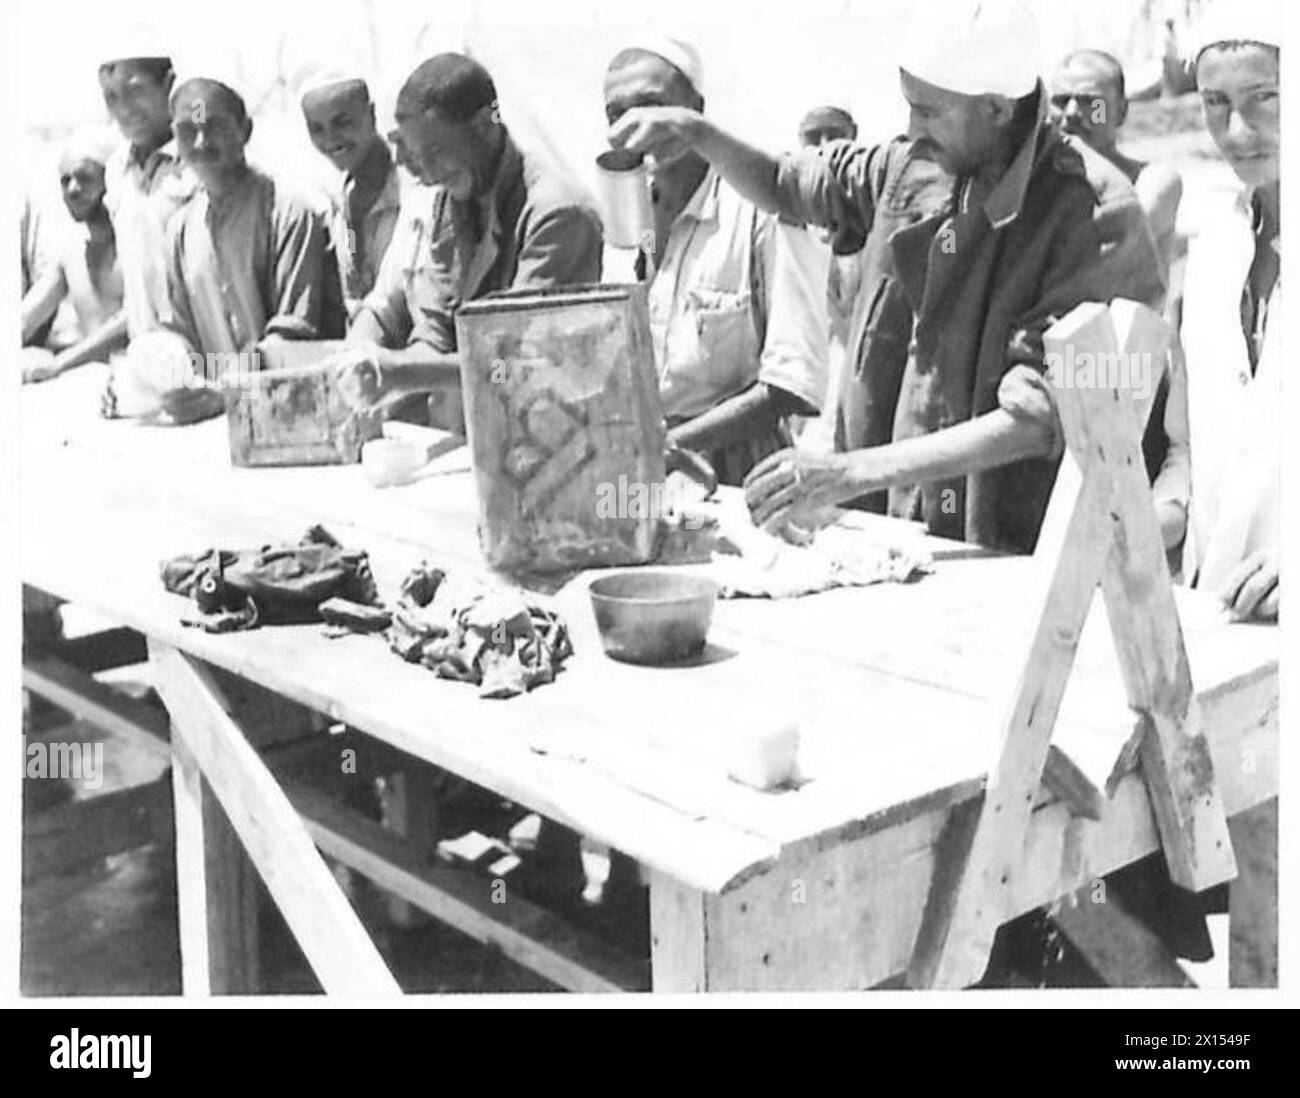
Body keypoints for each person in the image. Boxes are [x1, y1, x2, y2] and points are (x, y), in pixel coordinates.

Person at [610, 0, 1152, 553]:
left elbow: (1038, 417)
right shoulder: (907, 167)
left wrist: (846, 473)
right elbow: (784, 183)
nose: (913, 129)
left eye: (930, 112)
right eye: (909, 107)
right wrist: (694, 130)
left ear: (995, 109)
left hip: (1005, 548)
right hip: (885, 529)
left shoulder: (1095, 213)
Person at [333, 53, 603, 432]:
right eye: (416, 156)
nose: (426, 174)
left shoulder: (557, 214)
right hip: (469, 433)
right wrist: (375, 381)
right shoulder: (454, 198)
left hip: (544, 443)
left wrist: (398, 373)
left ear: (482, 125)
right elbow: (436, 327)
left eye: (436, 153)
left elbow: (518, 361)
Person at [603, 39, 829, 484]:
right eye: (617, 113)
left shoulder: (761, 210)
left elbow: (790, 386)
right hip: (639, 462)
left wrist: (672, 445)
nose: (637, 125)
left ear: (696, 110)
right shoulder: (622, 212)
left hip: (737, 469)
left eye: (652, 106)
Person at [1153, 5, 1281, 621]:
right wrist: (1155, 519)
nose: (1237, 130)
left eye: (1266, 97)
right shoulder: (1211, 253)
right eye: (1215, 102)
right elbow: (1188, 453)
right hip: (1222, 627)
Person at [134, 75, 339, 422]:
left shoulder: (289, 211)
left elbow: (291, 336)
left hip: (287, 410)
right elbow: (177, 334)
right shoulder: (181, 230)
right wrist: (178, 378)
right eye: (187, 130)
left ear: (245, 130)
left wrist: (228, 389)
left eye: (213, 127)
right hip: (210, 415)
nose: (200, 142)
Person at [1050, 48, 1184, 287]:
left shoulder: (1152, 180)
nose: (1071, 113)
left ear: (1121, 112)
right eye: (1061, 101)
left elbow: (1115, 248)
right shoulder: (1040, 184)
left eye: (1091, 103)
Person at [97, 50, 197, 341]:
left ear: (169, 84)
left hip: (210, 354)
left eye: (135, 91)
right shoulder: (116, 171)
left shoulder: (200, 160)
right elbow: (139, 294)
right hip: (152, 359)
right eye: (111, 97)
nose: (124, 109)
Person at [21, 134, 128, 384]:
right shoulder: (70, 255)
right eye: (65, 180)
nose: (73, 190)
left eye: (85, 178)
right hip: (91, 378)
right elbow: (26, 318)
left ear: (110, 179)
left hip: (139, 376)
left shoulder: (133, 244)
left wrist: (60, 364)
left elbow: (131, 321)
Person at [300, 74, 403, 318]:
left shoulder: (410, 190)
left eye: (342, 122)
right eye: (317, 129)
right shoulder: (335, 203)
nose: (330, 139)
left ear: (371, 115)